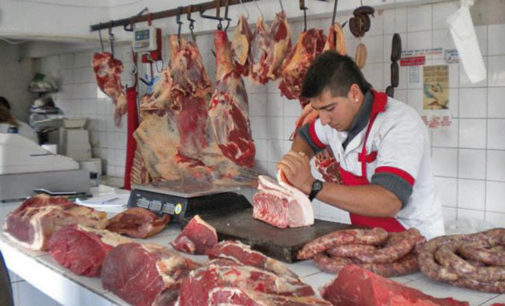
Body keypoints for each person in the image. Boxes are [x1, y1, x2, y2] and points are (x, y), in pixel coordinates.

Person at [277, 52, 444, 239]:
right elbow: (306, 137)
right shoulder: (336, 123)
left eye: (330, 109)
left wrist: (312, 186)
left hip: (412, 239)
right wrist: (296, 161)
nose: (323, 120)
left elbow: (389, 201)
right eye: (318, 110)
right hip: (368, 238)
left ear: (354, 94)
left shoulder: (399, 123)